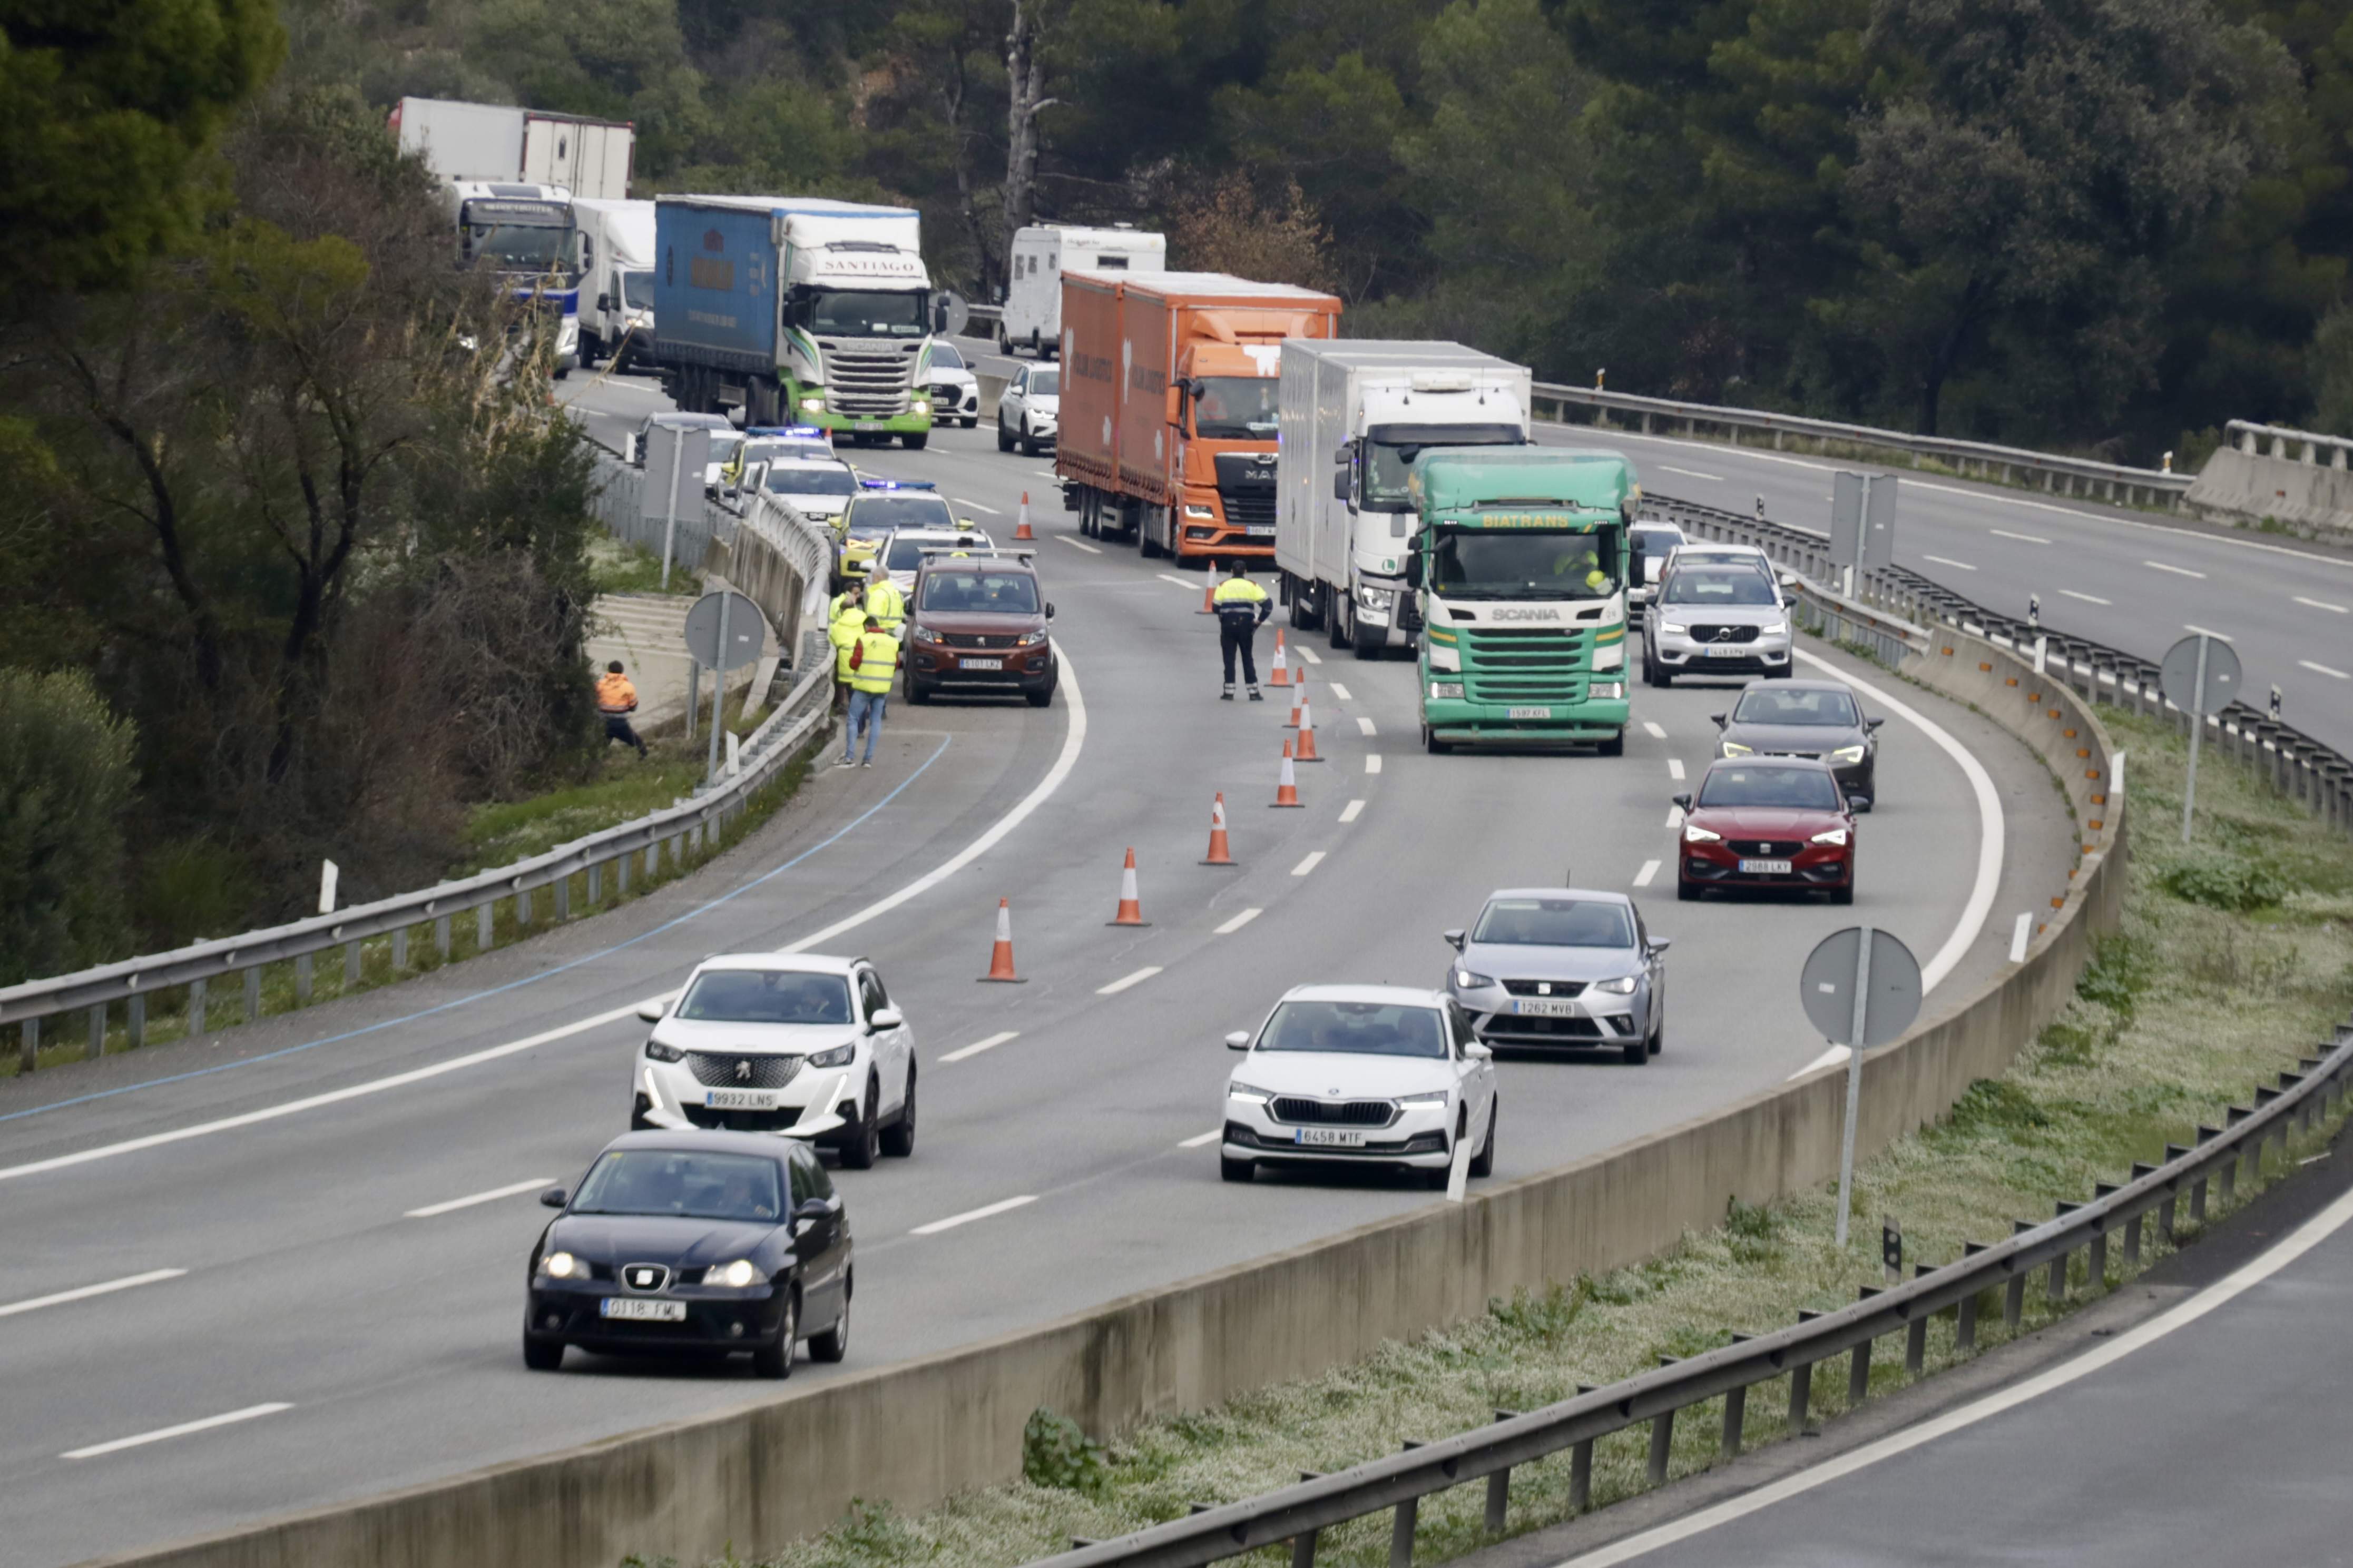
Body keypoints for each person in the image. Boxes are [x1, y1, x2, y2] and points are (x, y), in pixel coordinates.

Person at [840, 614, 899, 768]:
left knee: (853, 718)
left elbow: (854, 663)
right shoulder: (893, 642)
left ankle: (850, 757)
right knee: (876, 721)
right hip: (882, 689)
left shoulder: (864, 640)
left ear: (867, 627)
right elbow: (896, 664)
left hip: (864, 688)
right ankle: (868, 759)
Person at [1211, 559, 1272, 701]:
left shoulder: (1223, 586)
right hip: (1246, 627)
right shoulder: (1252, 586)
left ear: (1231, 571)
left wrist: (1226, 613)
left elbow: (1215, 608)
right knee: (1247, 657)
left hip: (1228, 627)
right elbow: (1268, 606)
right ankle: (1253, 692)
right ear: (1245, 571)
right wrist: (1258, 621)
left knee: (1229, 659)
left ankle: (1229, 692)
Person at [595, 660, 648, 757]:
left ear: (609, 670)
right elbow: (633, 707)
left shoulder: (599, 684)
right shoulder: (628, 686)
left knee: (599, 748)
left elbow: (593, 702)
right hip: (620, 724)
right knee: (639, 744)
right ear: (622, 672)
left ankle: (597, 764)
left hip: (602, 722)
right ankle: (644, 759)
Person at [828, 586, 868, 712]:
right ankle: (861, 709)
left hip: (846, 657)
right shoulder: (863, 617)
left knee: (848, 686)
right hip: (862, 654)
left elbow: (833, 642)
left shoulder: (838, 626)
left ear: (843, 611)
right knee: (861, 685)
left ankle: (849, 708)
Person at [864, 562, 907, 639]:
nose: (872, 580)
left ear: (878, 577)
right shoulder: (896, 593)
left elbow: (873, 619)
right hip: (896, 634)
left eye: (873, 577)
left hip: (880, 633)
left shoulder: (878, 594)